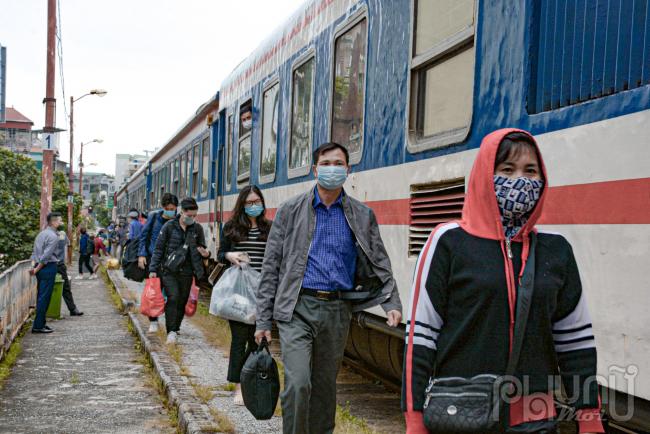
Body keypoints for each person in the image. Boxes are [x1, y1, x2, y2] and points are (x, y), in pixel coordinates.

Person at [402, 129, 603, 434]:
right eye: (507, 170)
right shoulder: (448, 242)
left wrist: (589, 417)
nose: (519, 181)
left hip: (534, 416)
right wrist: (415, 420)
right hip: (463, 413)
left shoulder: (556, 249)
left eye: (530, 171)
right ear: (485, 175)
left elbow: (575, 344)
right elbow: (420, 339)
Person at [255, 142, 402, 434]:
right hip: (297, 307)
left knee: (324, 388)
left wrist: (392, 302)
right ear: (314, 169)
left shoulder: (362, 215)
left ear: (348, 170)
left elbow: (379, 260)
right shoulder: (290, 211)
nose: (332, 169)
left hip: (337, 310)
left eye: (338, 163)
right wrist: (262, 319)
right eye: (326, 163)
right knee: (298, 384)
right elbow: (270, 266)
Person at [217, 185, 272, 405]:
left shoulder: (269, 228)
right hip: (239, 294)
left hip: (263, 292)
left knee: (258, 339)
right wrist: (230, 255)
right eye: (249, 203)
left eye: (257, 202)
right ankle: (239, 387)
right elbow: (220, 255)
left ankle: (254, 383)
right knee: (240, 339)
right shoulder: (231, 228)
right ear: (242, 204)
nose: (253, 206)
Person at [149, 197, 210, 344]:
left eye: (195, 216)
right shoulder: (169, 227)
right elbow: (158, 249)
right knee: (173, 297)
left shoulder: (197, 229)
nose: (192, 219)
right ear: (182, 212)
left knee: (182, 301)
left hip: (187, 271)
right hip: (169, 270)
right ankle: (170, 331)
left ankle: (176, 328)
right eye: (190, 216)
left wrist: (206, 254)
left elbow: (203, 249)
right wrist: (153, 269)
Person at [138, 192, 179, 333]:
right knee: (154, 292)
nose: (171, 211)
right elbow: (143, 236)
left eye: (174, 208)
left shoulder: (177, 220)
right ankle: (153, 321)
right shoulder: (154, 217)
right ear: (163, 207)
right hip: (154, 260)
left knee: (171, 293)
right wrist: (142, 255)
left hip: (171, 262)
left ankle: (172, 325)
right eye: (169, 208)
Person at [29, 212, 64, 333]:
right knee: (44, 297)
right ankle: (38, 326)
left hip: (40, 267)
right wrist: (36, 269)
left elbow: (35, 252)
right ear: (53, 222)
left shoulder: (42, 234)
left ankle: (41, 323)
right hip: (47, 267)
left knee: (41, 295)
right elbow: (46, 256)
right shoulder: (53, 237)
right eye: (59, 220)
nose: (61, 222)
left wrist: (34, 267)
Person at [55, 230, 84, 317]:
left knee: (65, 287)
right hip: (55, 264)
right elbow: (68, 245)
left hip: (54, 264)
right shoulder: (62, 234)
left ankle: (72, 309)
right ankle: (72, 309)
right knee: (65, 288)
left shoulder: (47, 234)